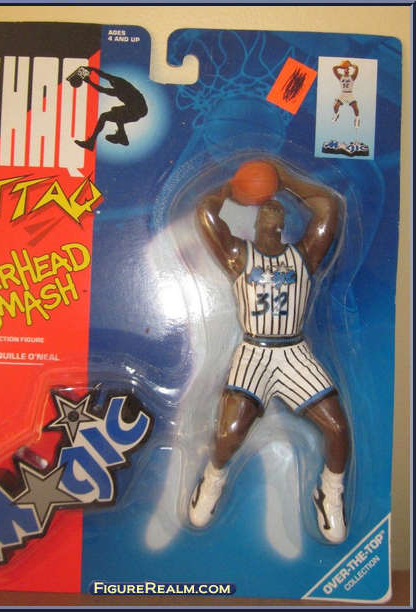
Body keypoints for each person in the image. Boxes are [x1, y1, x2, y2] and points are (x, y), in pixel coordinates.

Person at [189, 160, 350, 544]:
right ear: (258, 220)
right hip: (255, 351)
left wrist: (283, 178)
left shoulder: (304, 255)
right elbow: (205, 212)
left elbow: (328, 207)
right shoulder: (238, 255)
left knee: (338, 428)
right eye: (267, 207)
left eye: (277, 208)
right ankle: (212, 479)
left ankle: (330, 492)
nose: (273, 209)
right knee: (230, 432)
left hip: (293, 351)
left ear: (283, 223)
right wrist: (234, 188)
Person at [69, 66, 148, 151]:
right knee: (104, 116)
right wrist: (92, 69)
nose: (111, 85)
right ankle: (91, 142)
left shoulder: (121, 88)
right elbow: (104, 75)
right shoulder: (117, 83)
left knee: (116, 110)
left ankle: (122, 135)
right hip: (133, 113)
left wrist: (89, 82)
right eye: (111, 83)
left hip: (140, 109)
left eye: (113, 84)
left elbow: (102, 89)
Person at [332, 60, 360, 129]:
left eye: (348, 69)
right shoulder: (340, 77)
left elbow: (357, 68)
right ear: (343, 70)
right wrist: (341, 66)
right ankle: (336, 114)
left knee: (356, 108)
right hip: (343, 93)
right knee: (335, 106)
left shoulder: (352, 77)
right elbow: (334, 68)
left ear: (349, 71)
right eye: (345, 68)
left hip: (350, 94)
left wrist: (350, 65)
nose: (347, 69)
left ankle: (357, 119)